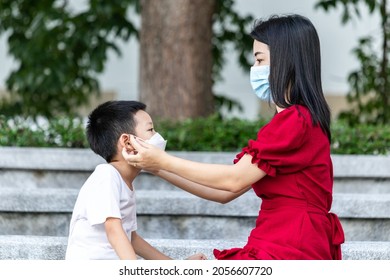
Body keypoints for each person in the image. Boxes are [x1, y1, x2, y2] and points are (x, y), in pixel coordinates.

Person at [122, 14, 345, 260]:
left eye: (260, 60)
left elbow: (232, 181)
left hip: (291, 243)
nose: (255, 69)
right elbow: (224, 194)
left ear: (286, 59)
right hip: (283, 238)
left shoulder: (296, 121)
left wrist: (162, 161)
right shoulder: (298, 120)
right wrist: (156, 167)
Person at [65, 100, 207, 260]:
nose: (157, 136)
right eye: (150, 130)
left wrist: (176, 268)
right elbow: (114, 230)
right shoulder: (107, 175)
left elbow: (131, 239)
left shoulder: (123, 181)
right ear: (127, 142)